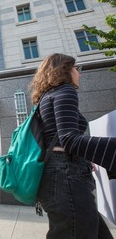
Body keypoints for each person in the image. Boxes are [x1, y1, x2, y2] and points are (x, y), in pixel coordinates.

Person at [30, 53, 116, 239]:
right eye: (77, 68)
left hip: (56, 175)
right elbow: (69, 139)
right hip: (66, 176)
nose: (79, 73)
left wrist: (84, 157)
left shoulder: (46, 97)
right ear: (65, 69)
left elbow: (58, 140)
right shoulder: (65, 91)